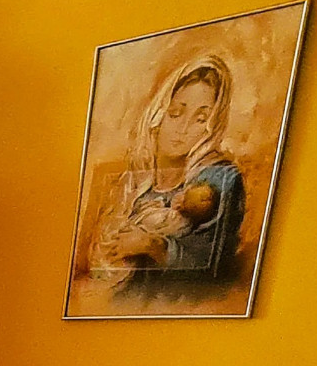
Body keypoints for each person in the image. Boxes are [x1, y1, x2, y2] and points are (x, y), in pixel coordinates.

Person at [86, 55, 246, 298]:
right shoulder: (130, 180)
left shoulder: (219, 179)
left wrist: (154, 246)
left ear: (213, 126)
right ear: (157, 114)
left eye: (200, 119)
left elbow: (213, 268)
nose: (183, 128)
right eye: (175, 113)